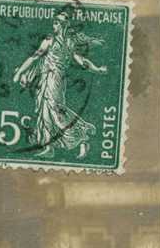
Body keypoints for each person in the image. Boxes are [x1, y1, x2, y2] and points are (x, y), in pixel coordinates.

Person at [12, 11, 108, 158]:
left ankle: (82, 138)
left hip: (56, 80)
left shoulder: (69, 42)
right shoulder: (49, 40)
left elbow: (81, 60)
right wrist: (19, 73)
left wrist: (97, 69)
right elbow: (34, 57)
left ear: (64, 25)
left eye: (57, 22)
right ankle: (49, 147)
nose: (54, 25)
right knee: (45, 113)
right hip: (46, 79)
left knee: (56, 112)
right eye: (55, 22)